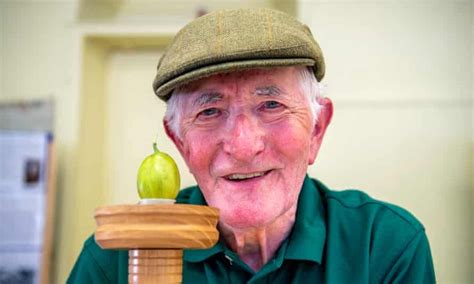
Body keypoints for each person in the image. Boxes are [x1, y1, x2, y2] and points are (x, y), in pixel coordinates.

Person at [68, 8, 435, 283]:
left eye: (271, 105)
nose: (243, 146)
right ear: (180, 142)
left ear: (317, 129)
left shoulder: (383, 245)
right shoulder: (115, 258)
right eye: (210, 111)